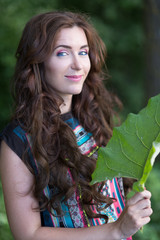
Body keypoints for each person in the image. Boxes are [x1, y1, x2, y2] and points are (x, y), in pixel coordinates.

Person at [0, 11, 152, 240]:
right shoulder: (19, 139)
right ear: (37, 61)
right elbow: (28, 235)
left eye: (83, 52)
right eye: (62, 53)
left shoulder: (96, 117)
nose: (78, 64)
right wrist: (115, 230)